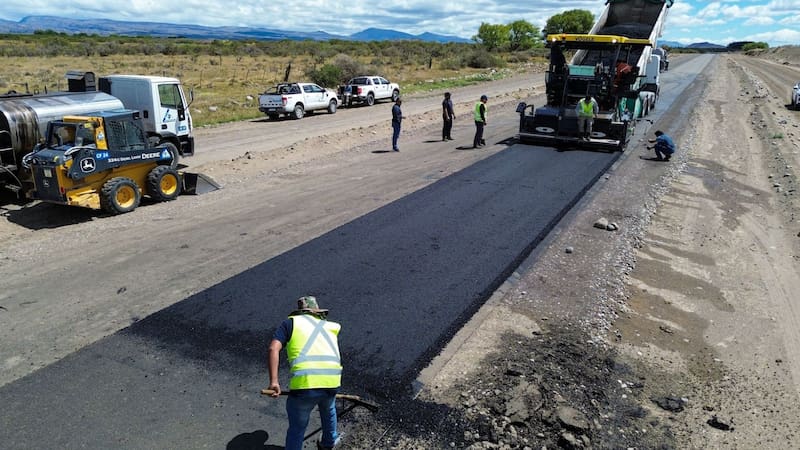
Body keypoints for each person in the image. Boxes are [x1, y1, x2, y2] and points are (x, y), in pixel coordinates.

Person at [268, 296, 343, 450]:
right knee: (328, 409)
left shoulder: (291, 323)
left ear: (300, 311)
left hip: (305, 385)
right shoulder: (329, 326)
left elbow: (273, 348)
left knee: (297, 428)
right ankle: (329, 442)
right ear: (317, 312)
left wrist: (274, 381)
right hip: (332, 381)